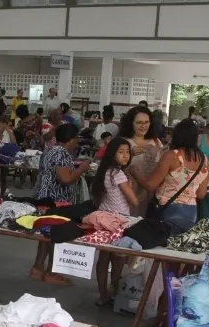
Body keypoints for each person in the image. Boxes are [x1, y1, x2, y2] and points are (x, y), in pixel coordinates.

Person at [30, 123, 89, 285]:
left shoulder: (50, 149)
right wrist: (82, 169)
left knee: (45, 235)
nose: (77, 141)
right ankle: (51, 273)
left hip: (44, 197)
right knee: (57, 235)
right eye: (76, 138)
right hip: (56, 201)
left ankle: (37, 268)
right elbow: (66, 178)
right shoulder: (62, 153)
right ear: (70, 139)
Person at [128, 119, 209, 235]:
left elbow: (150, 185)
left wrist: (135, 172)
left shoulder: (172, 156)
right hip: (191, 212)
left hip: (167, 209)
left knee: (159, 243)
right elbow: (201, 194)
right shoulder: (204, 159)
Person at [91, 137, 137, 306]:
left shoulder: (105, 171)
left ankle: (103, 295)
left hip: (104, 219)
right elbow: (134, 201)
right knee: (118, 259)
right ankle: (116, 292)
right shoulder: (118, 174)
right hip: (119, 221)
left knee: (103, 258)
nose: (125, 155)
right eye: (121, 152)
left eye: (127, 152)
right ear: (112, 153)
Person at [119, 105, 163, 216]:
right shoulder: (122, 142)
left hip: (151, 195)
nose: (143, 126)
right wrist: (130, 155)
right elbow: (111, 168)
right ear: (131, 123)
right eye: (139, 122)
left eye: (146, 122)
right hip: (126, 195)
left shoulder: (156, 142)